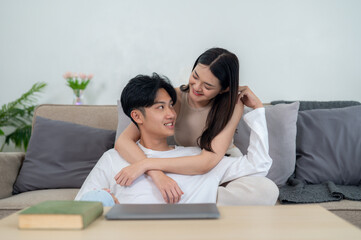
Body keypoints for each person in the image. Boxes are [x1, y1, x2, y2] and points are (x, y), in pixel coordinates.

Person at [75, 74, 272, 205]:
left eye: (171, 105)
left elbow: (258, 166)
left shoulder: (196, 157)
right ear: (137, 117)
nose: (171, 114)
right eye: (160, 107)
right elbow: (81, 205)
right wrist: (109, 205)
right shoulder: (113, 159)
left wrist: (258, 111)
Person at [114, 48, 278, 205]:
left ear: (224, 89)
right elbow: (123, 141)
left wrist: (146, 164)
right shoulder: (174, 98)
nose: (197, 87)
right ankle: (206, 203)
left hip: (222, 165)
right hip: (186, 165)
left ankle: (200, 202)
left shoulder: (233, 104)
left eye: (207, 86)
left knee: (265, 191)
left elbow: (208, 161)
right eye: (195, 76)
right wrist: (155, 173)